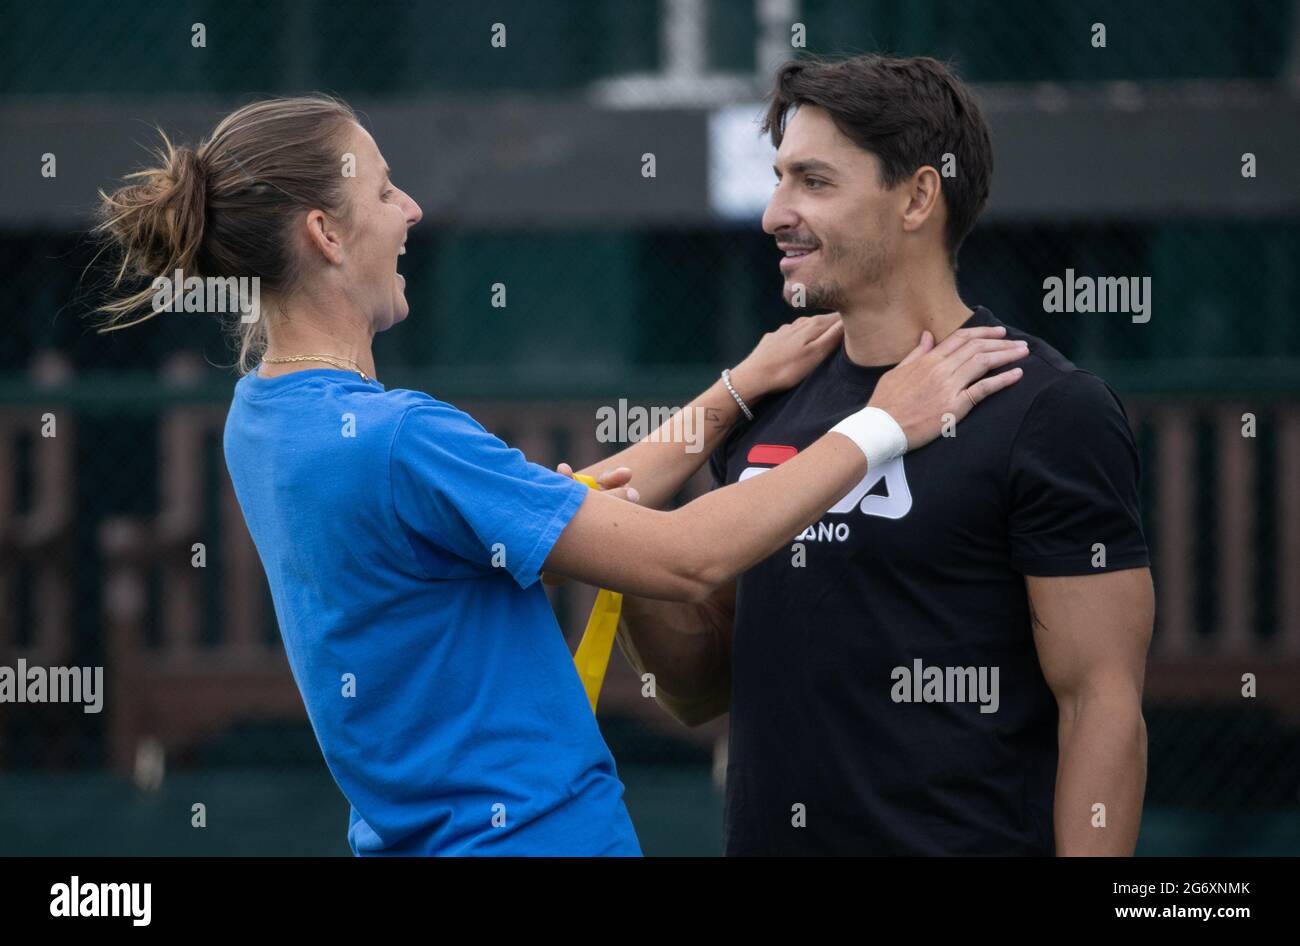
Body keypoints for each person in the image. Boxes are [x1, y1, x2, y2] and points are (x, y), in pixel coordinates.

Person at [91, 94, 1027, 856]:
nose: (411, 210)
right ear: (327, 236)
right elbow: (682, 560)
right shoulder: (400, 440)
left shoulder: (261, 416)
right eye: (384, 193)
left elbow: (564, 506)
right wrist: (882, 424)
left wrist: (736, 389)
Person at [612, 56, 1156, 856]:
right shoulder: (770, 398)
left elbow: (1102, 710)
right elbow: (701, 690)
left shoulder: (1048, 411)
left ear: (918, 197)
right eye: (777, 179)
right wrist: (633, 564)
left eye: (814, 182)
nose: (774, 213)